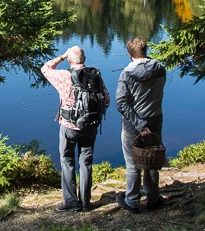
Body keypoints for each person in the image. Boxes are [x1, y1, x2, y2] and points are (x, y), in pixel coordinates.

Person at [41, 46, 110, 212]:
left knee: (67, 160)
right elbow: (106, 100)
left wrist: (62, 56)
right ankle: (86, 203)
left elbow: (45, 68)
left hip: (69, 126)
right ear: (84, 59)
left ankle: (71, 203)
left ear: (70, 60)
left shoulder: (64, 76)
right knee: (86, 162)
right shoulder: (95, 76)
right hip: (91, 126)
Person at [115, 36, 166, 213]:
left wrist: (139, 123)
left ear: (130, 55)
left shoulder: (126, 74)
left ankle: (132, 201)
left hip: (133, 125)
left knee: (132, 163)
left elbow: (120, 102)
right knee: (152, 160)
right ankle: (152, 199)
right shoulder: (160, 69)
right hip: (155, 120)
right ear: (146, 51)